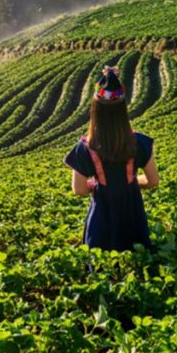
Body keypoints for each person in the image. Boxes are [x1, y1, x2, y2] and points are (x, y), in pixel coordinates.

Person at [64, 66, 159, 251]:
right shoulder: (139, 143)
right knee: (138, 262)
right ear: (123, 109)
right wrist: (130, 182)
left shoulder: (85, 148)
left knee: (101, 265)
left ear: (95, 110)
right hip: (133, 217)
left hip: (102, 218)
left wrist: (97, 184)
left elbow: (79, 189)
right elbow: (153, 181)